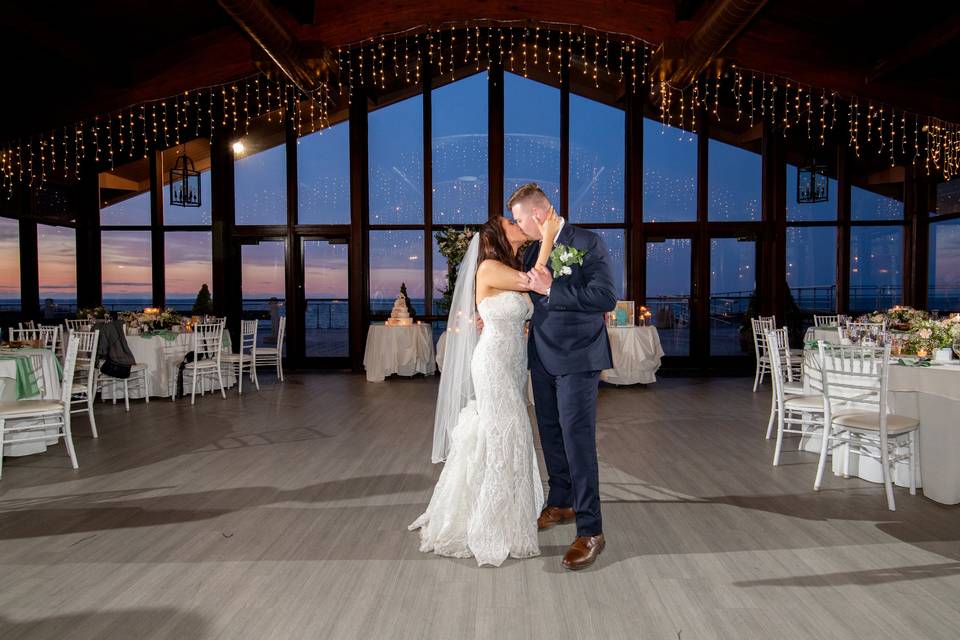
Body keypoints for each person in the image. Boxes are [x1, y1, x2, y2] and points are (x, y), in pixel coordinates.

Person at [408, 212, 562, 567]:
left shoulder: (506, 267)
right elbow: (531, 282)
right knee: (509, 432)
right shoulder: (489, 267)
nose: (518, 224)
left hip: (512, 364)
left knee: (506, 434)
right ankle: (492, 522)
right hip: (492, 363)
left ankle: (506, 512)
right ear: (498, 234)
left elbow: (525, 300)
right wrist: (549, 237)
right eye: (511, 222)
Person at [510, 183, 618, 571]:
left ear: (538, 214)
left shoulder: (587, 242)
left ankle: (591, 529)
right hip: (541, 355)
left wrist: (554, 287)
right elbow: (530, 298)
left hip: (578, 356)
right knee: (551, 433)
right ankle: (561, 502)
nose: (519, 227)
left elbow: (605, 296)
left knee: (577, 438)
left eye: (521, 219)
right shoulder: (528, 253)